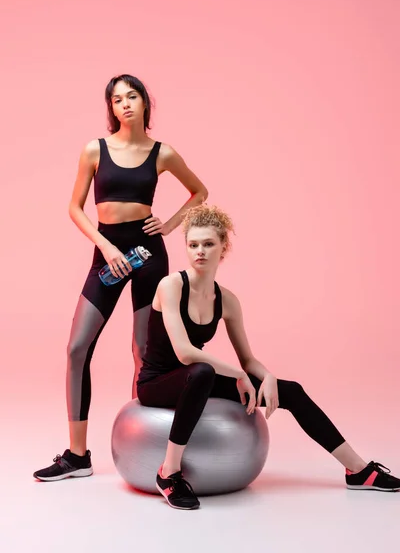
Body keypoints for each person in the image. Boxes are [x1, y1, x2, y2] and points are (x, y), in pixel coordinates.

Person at [136, 203, 400, 510]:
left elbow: (247, 360)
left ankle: (358, 470)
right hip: (158, 383)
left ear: (224, 247)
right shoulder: (170, 286)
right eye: (193, 245)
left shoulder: (228, 301)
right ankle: (169, 474)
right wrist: (239, 375)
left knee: (292, 391)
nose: (200, 252)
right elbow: (185, 354)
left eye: (209, 244)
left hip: (195, 379)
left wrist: (268, 376)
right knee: (202, 371)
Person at [33, 74, 208, 481]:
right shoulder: (94, 149)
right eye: (116, 99)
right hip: (107, 255)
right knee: (77, 348)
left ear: (145, 102)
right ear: (110, 109)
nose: (125, 104)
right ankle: (78, 456)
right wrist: (107, 247)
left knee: (143, 353)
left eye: (132, 96)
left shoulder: (162, 153)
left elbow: (199, 191)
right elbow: (75, 208)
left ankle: (148, 454)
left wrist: (168, 227)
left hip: (147, 255)